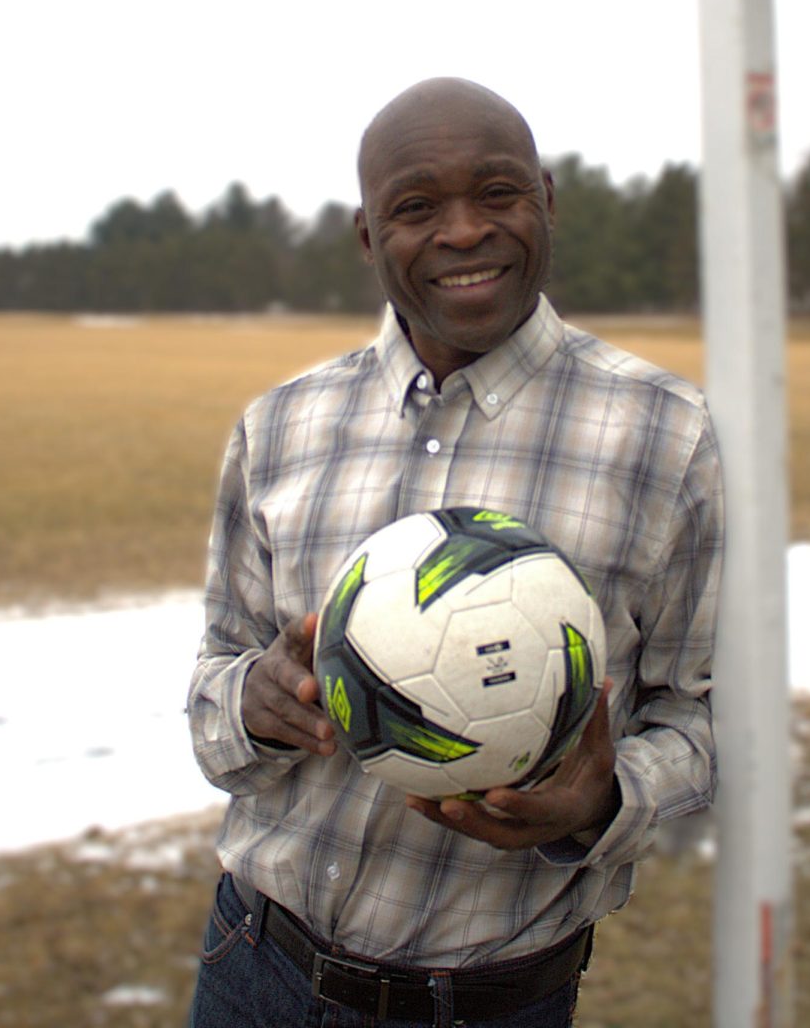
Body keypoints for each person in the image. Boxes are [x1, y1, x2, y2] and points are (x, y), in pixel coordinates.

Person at [187, 77, 723, 1027]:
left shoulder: (668, 436)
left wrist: (599, 803)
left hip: (490, 1003)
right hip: (252, 970)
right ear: (368, 237)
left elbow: (710, 724)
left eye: (498, 193)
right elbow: (213, 691)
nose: (464, 230)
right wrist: (253, 705)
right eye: (416, 206)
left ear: (547, 202)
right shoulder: (278, 427)